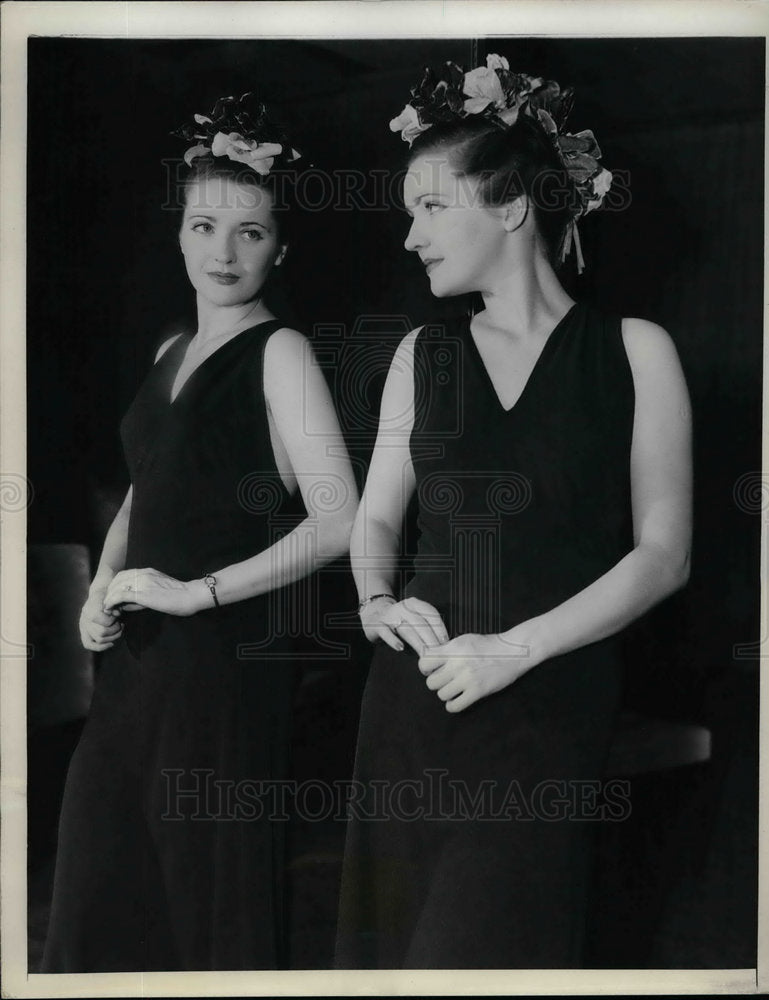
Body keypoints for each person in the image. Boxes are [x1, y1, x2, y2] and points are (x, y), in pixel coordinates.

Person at [335, 55, 692, 969]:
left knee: (478, 956)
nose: (409, 236)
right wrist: (375, 598)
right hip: (412, 706)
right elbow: (374, 521)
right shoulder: (421, 352)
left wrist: (514, 649)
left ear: (511, 207)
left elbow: (663, 554)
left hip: (547, 705)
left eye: (429, 207)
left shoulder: (635, 352)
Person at [42, 93, 358, 972]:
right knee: (101, 874)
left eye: (250, 232)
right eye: (205, 225)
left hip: (220, 665)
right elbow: (146, 496)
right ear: (180, 234)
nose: (224, 251)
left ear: (280, 248)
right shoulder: (167, 351)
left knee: (200, 890)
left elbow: (338, 522)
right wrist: (100, 588)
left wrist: (196, 593)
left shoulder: (282, 352)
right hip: (135, 666)